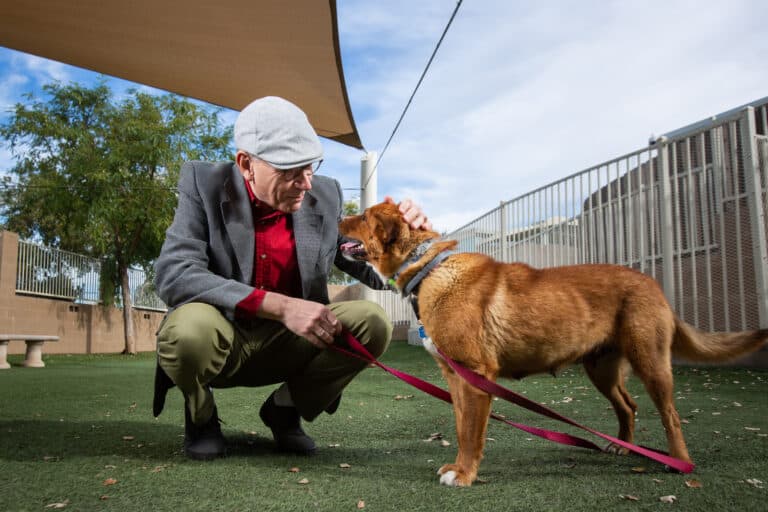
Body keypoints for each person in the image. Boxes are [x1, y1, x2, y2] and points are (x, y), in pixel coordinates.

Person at [152, 96, 431, 460]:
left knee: (372, 322)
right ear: (246, 164)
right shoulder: (202, 184)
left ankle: (284, 409)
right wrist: (281, 306)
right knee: (186, 331)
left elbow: (375, 270)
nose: (305, 182)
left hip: (291, 345)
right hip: (220, 339)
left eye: (310, 166)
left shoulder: (324, 195)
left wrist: (406, 239)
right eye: (289, 170)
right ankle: (201, 415)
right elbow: (175, 274)